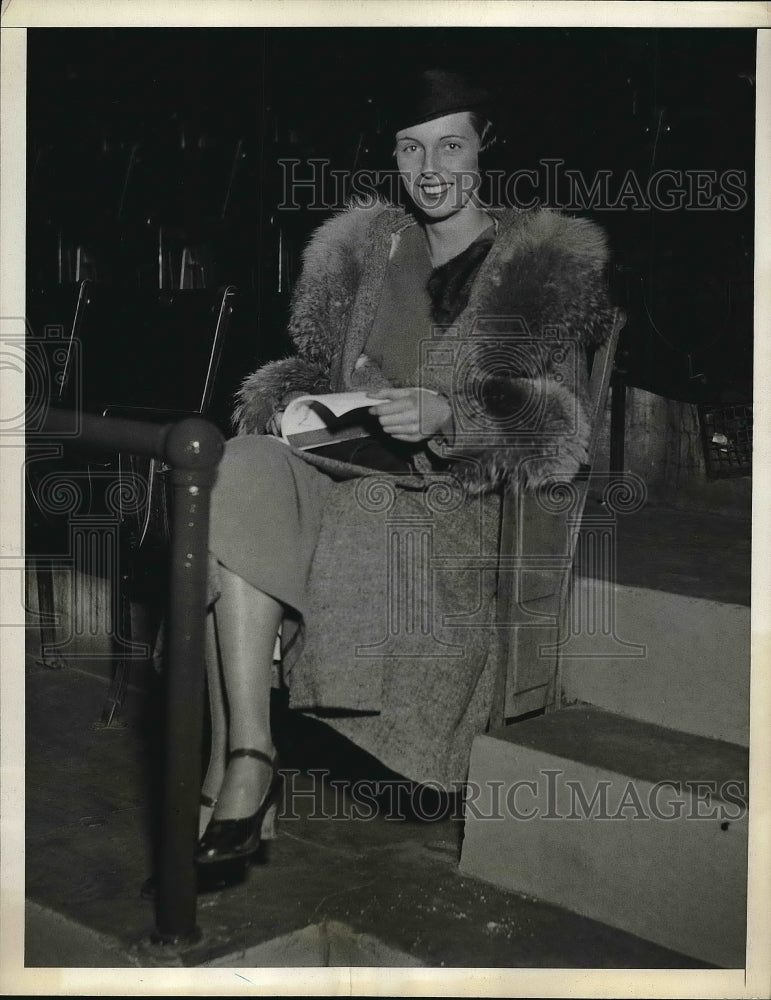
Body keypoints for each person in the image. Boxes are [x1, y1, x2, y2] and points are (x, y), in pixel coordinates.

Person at [196, 69, 615, 868]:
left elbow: (562, 424)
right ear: (390, 155)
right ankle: (254, 753)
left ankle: (232, 779)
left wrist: (450, 415)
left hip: (443, 501)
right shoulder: (363, 249)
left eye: (450, 145)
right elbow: (312, 373)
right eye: (410, 147)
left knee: (260, 548)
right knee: (239, 464)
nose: (429, 167)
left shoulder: (537, 266)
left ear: (485, 149)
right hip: (337, 472)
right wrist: (322, 400)